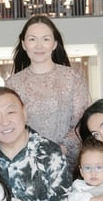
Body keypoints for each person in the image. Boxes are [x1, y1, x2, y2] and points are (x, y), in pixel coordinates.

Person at [5, 15, 89, 166]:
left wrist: (58, 150)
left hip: (67, 160)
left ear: (54, 43)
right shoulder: (12, 84)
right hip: (27, 162)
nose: (39, 46)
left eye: (45, 39)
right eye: (32, 39)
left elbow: (81, 122)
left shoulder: (72, 77)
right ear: (24, 44)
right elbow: (11, 125)